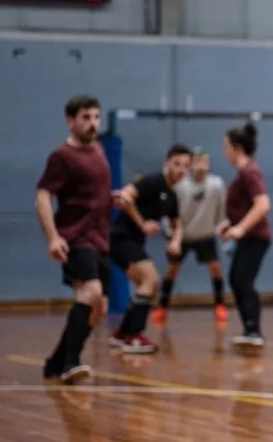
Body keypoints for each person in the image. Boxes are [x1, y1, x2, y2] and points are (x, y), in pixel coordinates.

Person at [35, 95, 113, 384]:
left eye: (96, 117)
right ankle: (71, 362)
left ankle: (56, 362)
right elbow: (43, 196)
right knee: (90, 294)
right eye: (85, 118)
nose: (92, 123)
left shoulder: (99, 150)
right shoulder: (62, 157)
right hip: (76, 237)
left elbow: (93, 191)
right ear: (70, 121)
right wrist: (54, 237)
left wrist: (111, 199)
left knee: (99, 307)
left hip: (101, 238)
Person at [109, 144, 192, 352]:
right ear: (167, 164)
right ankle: (134, 337)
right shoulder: (152, 181)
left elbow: (177, 224)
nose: (181, 170)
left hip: (134, 242)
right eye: (177, 164)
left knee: (146, 287)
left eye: (185, 166)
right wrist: (142, 223)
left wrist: (175, 241)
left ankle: (122, 334)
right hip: (120, 238)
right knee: (152, 280)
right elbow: (126, 196)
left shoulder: (172, 195)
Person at [154, 148, 228, 327]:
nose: (201, 166)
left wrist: (222, 227)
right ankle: (162, 307)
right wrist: (171, 235)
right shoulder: (180, 185)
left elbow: (222, 210)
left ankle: (219, 304)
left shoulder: (216, 184)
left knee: (215, 268)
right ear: (191, 164)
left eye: (205, 162)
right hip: (183, 235)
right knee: (172, 269)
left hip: (205, 234)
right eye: (197, 162)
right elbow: (168, 211)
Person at [220, 122, 272, 349]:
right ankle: (250, 329)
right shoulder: (244, 173)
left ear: (237, 148)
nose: (225, 152)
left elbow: (262, 204)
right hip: (249, 237)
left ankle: (253, 330)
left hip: (256, 237)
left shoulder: (250, 172)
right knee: (237, 279)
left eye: (226, 147)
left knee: (242, 280)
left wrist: (240, 229)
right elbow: (244, 207)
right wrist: (229, 225)